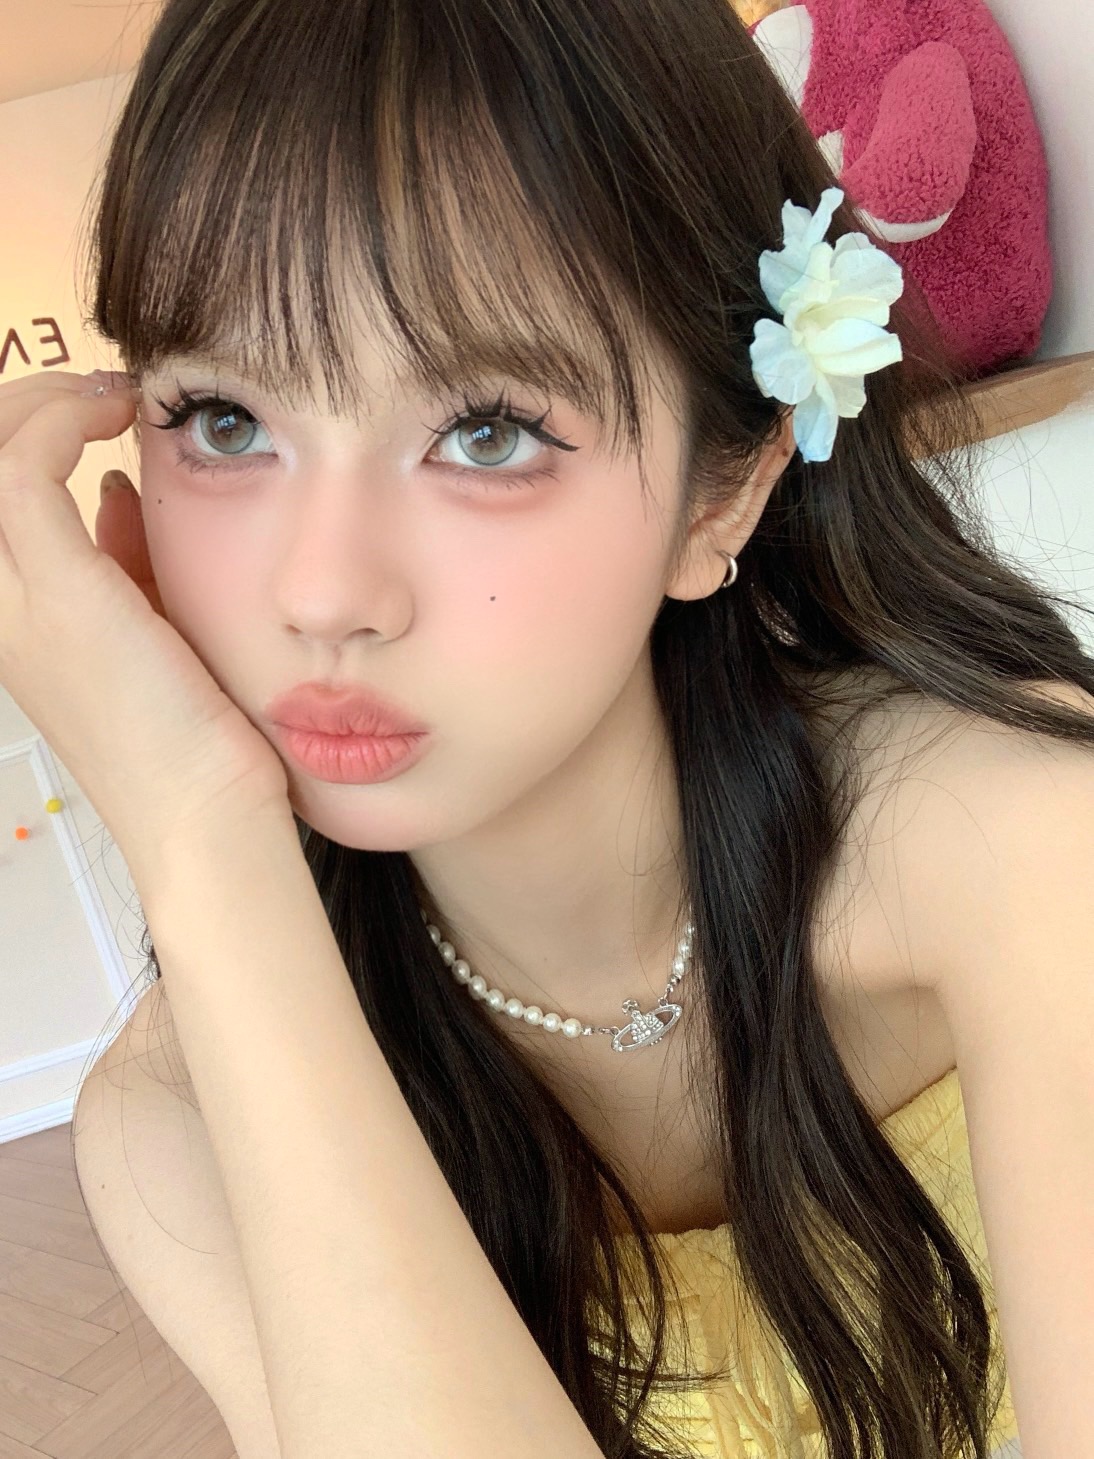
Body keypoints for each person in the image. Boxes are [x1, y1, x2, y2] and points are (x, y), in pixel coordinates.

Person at [7, 0, 1091, 1453]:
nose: (321, 593)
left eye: (487, 432)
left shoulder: (1022, 843)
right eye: (222, 421)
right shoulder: (174, 1119)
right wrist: (204, 853)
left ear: (723, 493)